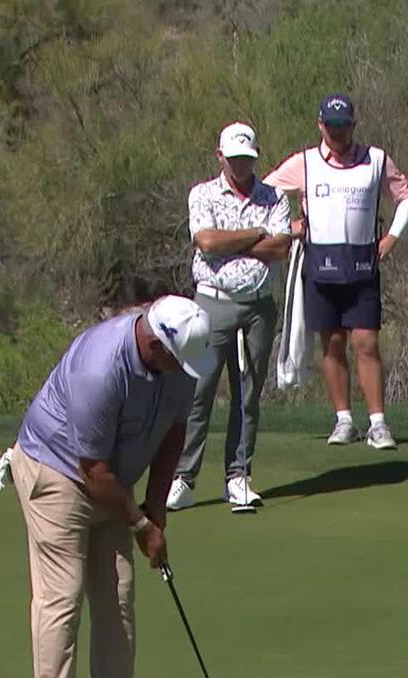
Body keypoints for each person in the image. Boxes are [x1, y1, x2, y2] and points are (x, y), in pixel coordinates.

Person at [9, 295, 216, 678]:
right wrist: (140, 525)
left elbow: (172, 434)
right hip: (57, 469)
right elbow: (92, 469)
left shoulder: (180, 366)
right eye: (178, 360)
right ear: (156, 343)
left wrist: (157, 511)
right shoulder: (100, 368)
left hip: (109, 479)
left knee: (117, 596)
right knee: (62, 595)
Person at [264, 93, 408, 449]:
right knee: (332, 344)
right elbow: (265, 193)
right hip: (321, 262)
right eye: (331, 126)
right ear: (320, 125)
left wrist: (393, 236)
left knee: (366, 342)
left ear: (353, 125)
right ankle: (344, 420)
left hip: (362, 263)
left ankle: (378, 423)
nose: (337, 133)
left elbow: (407, 196)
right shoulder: (305, 162)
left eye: (343, 126)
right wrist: (290, 225)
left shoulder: (375, 160)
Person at [168, 122, 293, 514]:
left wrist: (233, 241)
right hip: (211, 304)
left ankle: (238, 478)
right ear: (220, 156)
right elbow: (205, 242)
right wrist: (256, 233)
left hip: (258, 305)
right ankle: (184, 480)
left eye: (247, 159)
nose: (241, 166)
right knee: (198, 392)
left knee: (248, 393)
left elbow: (280, 246)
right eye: (234, 159)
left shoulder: (274, 196)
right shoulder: (203, 194)